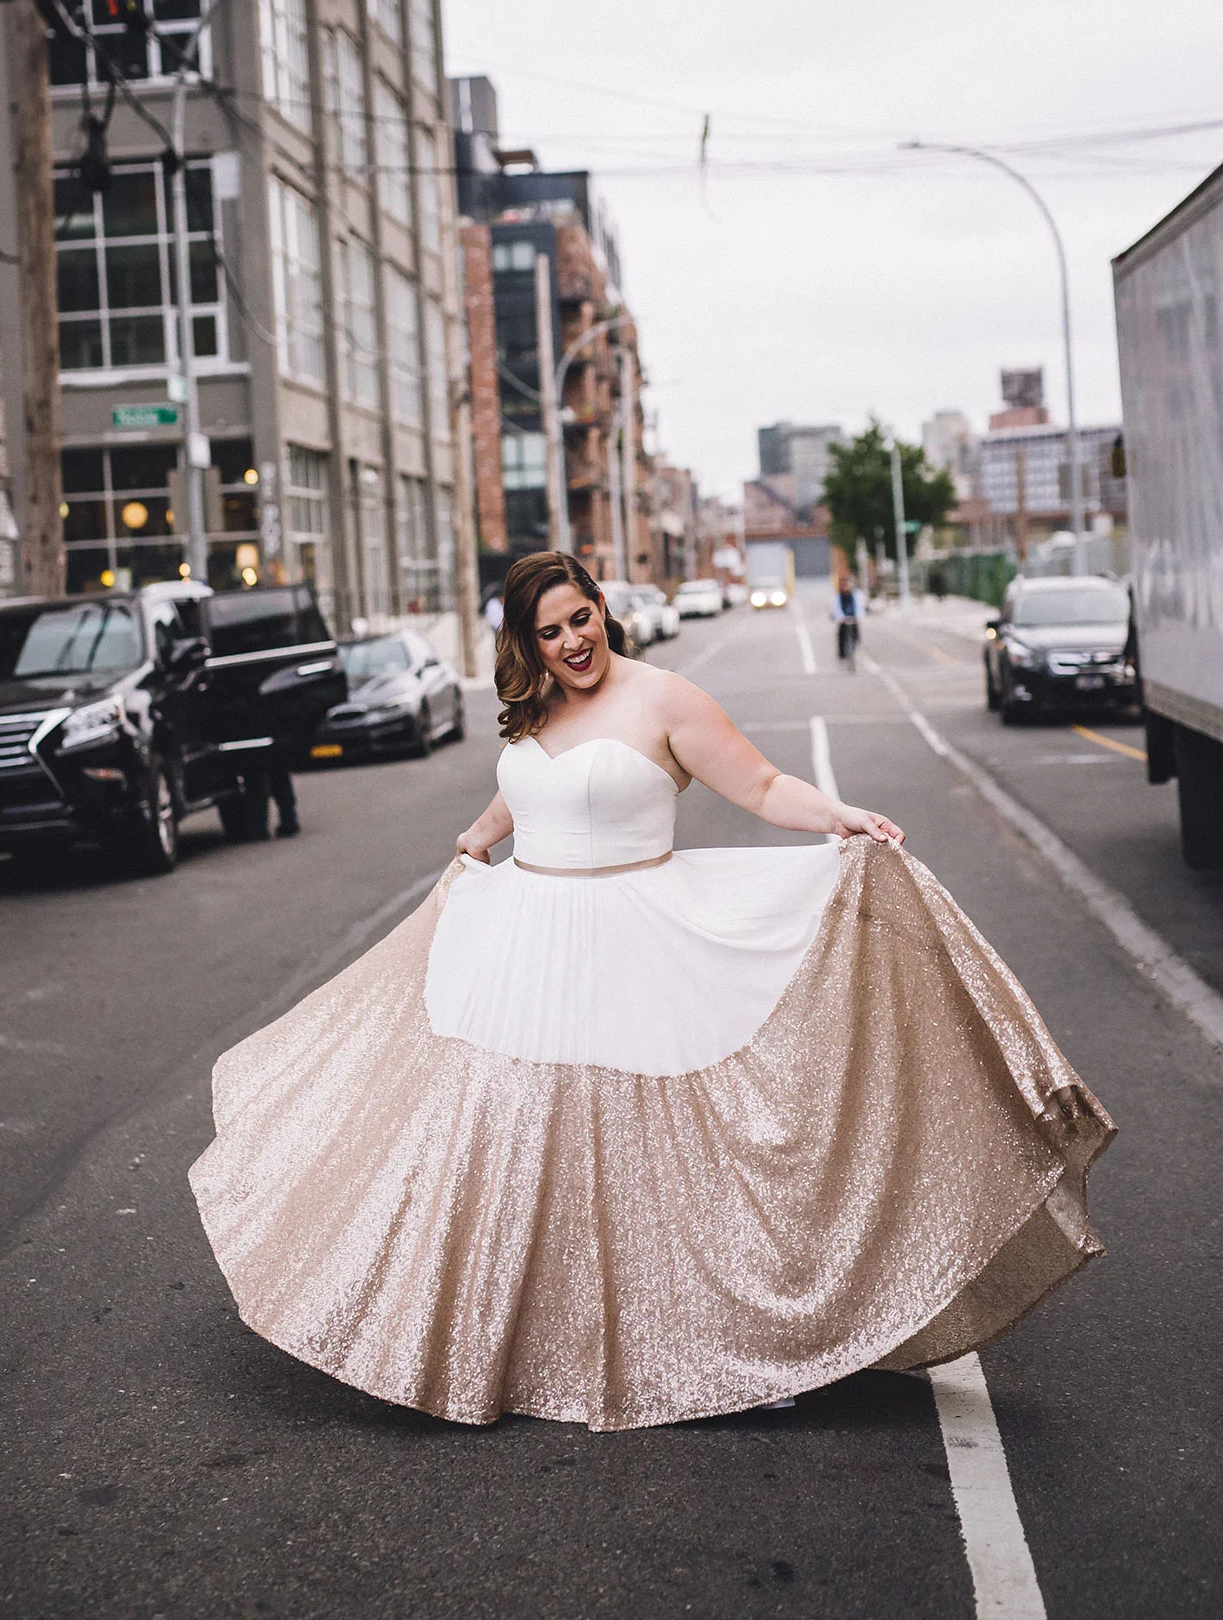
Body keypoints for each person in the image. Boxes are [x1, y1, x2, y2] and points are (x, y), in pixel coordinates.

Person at [191, 550, 1112, 1432]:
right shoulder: (533, 706)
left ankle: (738, 1349)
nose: (570, 643)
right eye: (548, 632)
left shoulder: (664, 698)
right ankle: (501, 1341)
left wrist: (837, 815)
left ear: (599, 606)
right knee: (501, 1142)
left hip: (642, 940)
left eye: (579, 618)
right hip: (527, 938)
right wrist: (478, 835)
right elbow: (527, 796)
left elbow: (755, 782)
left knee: (668, 1152)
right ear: (529, 643)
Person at [831, 572, 865, 665]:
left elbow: (860, 607)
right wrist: (841, 617)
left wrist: (858, 617)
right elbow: (836, 608)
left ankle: (856, 648)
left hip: (854, 618)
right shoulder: (838, 596)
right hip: (843, 620)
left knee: (856, 633)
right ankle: (842, 654)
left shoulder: (856, 595)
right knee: (841, 634)